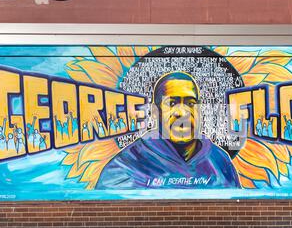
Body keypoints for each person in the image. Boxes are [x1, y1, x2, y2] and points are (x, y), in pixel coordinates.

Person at [97, 71, 241, 189]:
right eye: (172, 103)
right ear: (155, 112)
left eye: (190, 103)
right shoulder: (125, 167)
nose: (183, 113)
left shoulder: (220, 161)